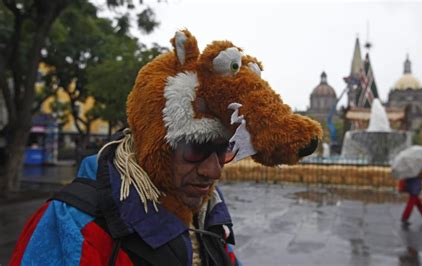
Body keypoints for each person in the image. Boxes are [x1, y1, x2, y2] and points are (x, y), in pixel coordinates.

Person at [9, 30, 322, 265]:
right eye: (198, 146)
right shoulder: (74, 223)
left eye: (224, 149)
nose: (213, 170)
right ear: (154, 140)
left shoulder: (207, 209)